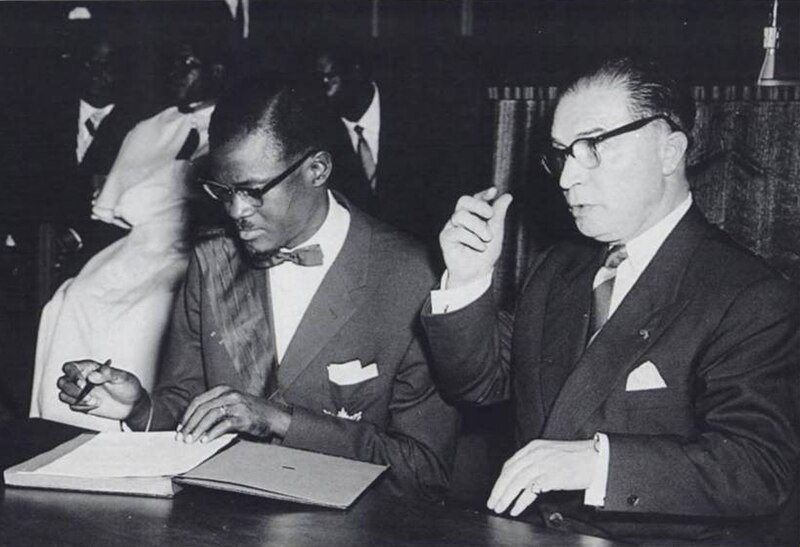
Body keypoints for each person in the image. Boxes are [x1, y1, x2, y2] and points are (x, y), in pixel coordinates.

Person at [422, 56, 800, 543]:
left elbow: (758, 467)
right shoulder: (558, 269)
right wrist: (468, 278)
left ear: (669, 150)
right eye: (562, 154)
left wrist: (597, 462)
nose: (566, 179)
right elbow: (477, 386)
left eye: (593, 147)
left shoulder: (747, 295)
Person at [55, 74, 459, 502]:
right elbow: (189, 405)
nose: (235, 211)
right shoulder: (213, 261)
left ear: (317, 169)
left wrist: (282, 421)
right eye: (224, 191)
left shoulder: (412, 277)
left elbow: (424, 471)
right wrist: (138, 409)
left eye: (252, 192)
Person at [30, 39, 226, 430]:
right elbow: (113, 206)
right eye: (171, 63)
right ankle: (61, 427)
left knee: (147, 311)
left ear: (216, 69)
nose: (175, 73)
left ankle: (130, 428)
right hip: (139, 244)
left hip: (195, 247)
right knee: (75, 298)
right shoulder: (149, 127)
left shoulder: (234, 122)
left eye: (186, 63)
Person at [313, 43, 463, 249]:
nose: (321, 90)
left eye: (328, 78)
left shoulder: (425, 117)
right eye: (315, 81)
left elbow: (446, 199)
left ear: (356, 71)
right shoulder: (318, 134)